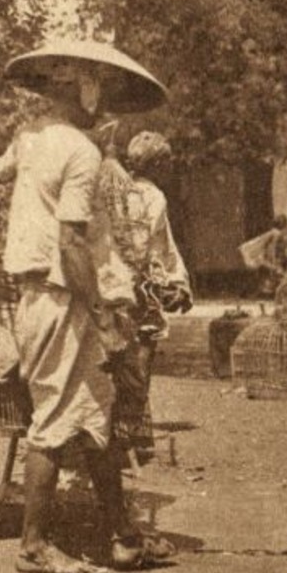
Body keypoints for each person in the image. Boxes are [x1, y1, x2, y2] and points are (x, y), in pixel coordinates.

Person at [0, 38, 173, 573]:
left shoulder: (34, 140)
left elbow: (0, 174)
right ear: (83, 88)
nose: (104, 100)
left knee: (97, 414)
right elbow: (72, 242)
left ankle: (121, 534)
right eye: (97, 86)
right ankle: (33, 546)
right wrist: (101, 313)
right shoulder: (80, 152)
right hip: (61, 296)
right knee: (53, 420)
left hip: (44, 292)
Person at [92, 131, 193, 467]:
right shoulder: (154, 196)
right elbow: (158, 245)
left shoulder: (111, 186)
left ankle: (112, 432)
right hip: (139, 285)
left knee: (112, 361)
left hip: (108, 281)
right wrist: (174, 282)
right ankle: (128, 432)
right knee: (140, 361)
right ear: (159, 165)